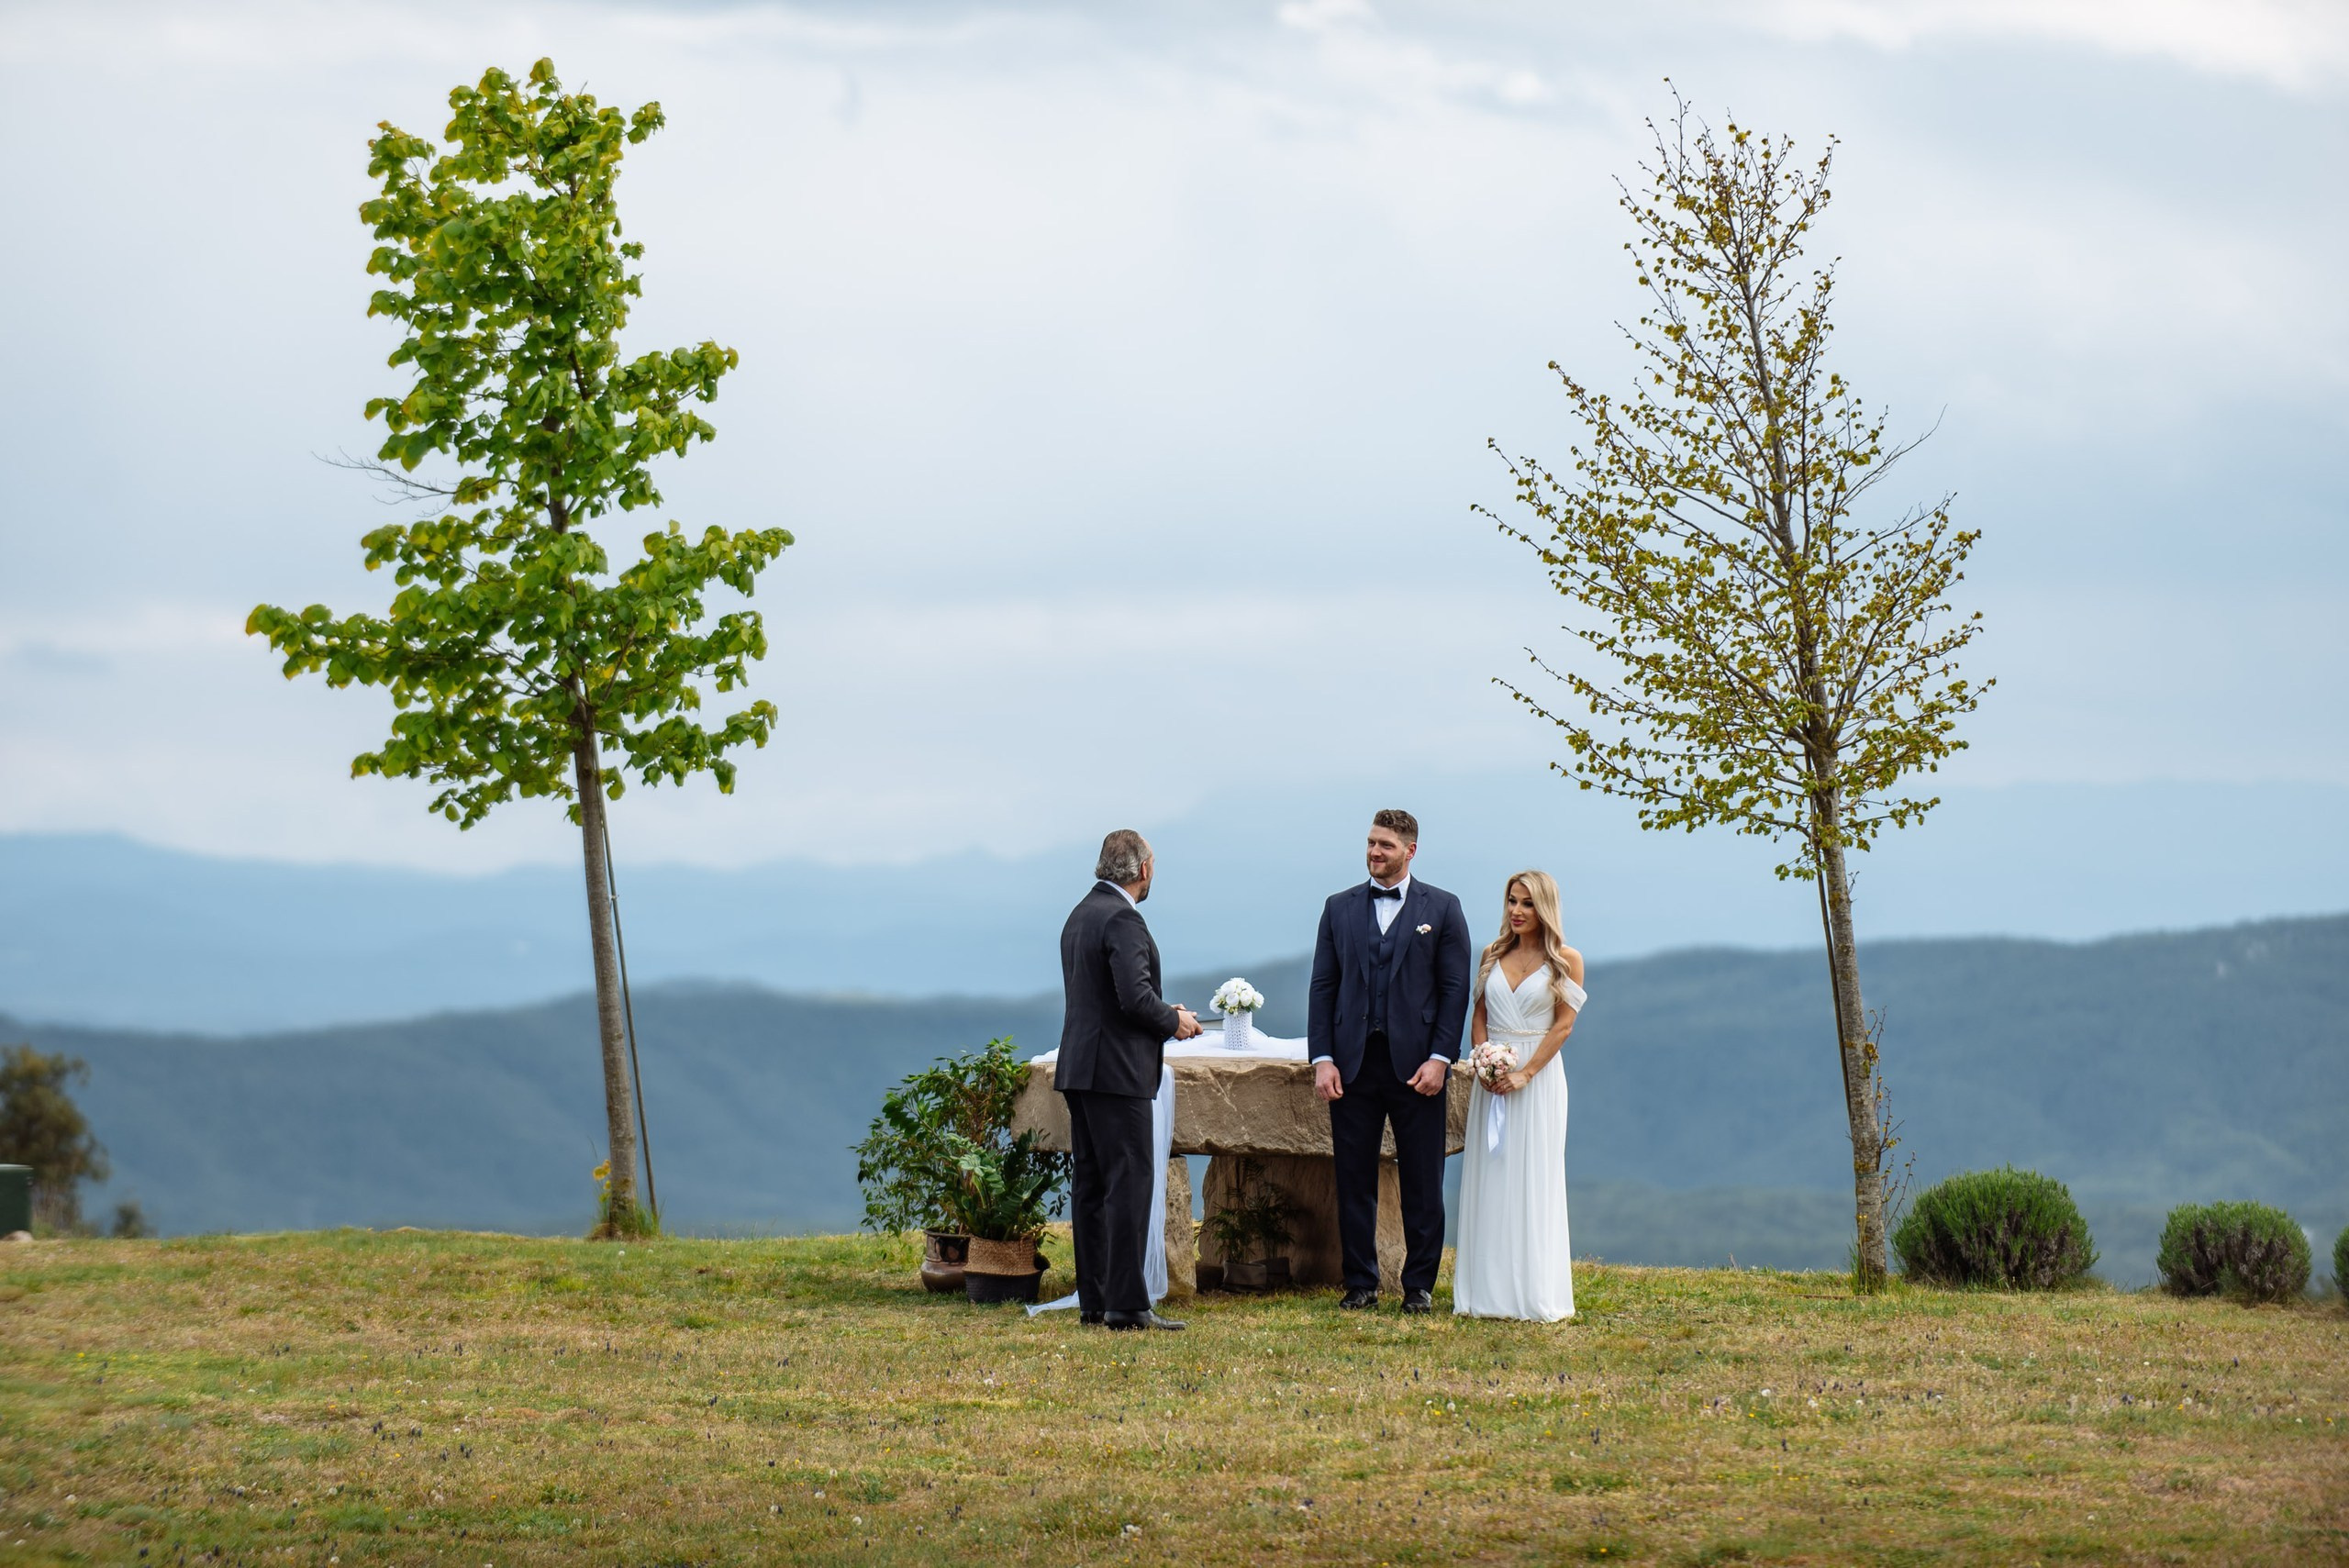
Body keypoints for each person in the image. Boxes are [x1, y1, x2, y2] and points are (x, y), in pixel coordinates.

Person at [1308, 809, 1473, 1312]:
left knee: (1423, 1179)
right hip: (1353, 1066)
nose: (1375, 852)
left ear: (1410, 850)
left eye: (1386, 845)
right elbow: (1323, 986)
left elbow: (1454, 990)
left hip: (1418, 1067)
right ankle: (1361, 1283)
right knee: (1352, 1178)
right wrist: (1323, 1058)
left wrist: (1441, 1058)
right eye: (1371, 843)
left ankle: (1419, 1285)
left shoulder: (1443, 908)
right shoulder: (1339, 907)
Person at [1054, 828, 1201, 1330]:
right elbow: (1134, 999)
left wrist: (1162, 1011)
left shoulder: (1080, 914)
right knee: (1130, 1185)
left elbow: (1103, 997)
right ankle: (1128, 1305)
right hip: (1118, 1073)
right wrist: (1174, 1021)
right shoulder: (1124, 918)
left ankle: (1095, 1301)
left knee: (1093, 1187)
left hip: (1081, 1068)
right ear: (1143, 870)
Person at [1453, 871, 1586, 1321]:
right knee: (1491, 1174)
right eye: (1512, 901)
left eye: (1527, 903)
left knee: (1533, 1175)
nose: (1516, 911)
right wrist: (1483, 1059)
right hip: (1492, 1074)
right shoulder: (1493, 953)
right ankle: (1483, 1293)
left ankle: (1532, 1292)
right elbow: (1481, 1013)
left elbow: (1564, 1024)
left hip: (1538, 1077)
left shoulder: (1567, 960)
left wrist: (1526, 1072)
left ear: (1544, 908)